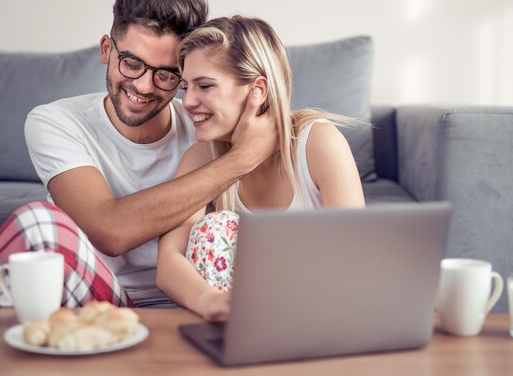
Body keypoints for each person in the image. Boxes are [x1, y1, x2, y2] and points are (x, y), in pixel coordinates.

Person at [0, 0, 277, 308]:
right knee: (36, 222)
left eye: (165, 74)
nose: (144, 86)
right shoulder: (55, 121)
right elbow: (110, 231)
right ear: (107, 49)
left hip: (190, 297)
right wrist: (241, 159)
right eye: (132, 63)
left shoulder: (204, 127)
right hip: (99, 296)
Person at [156, 16, 366, 321]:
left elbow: (355, 259)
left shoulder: (318, 142)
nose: (186, 101)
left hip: (322, 313)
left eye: (204, 86)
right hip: (239, 321)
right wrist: (211, 302)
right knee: (214, 228)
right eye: (186, 87)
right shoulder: (201, 158)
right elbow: (168, 260)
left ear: (258, 90)